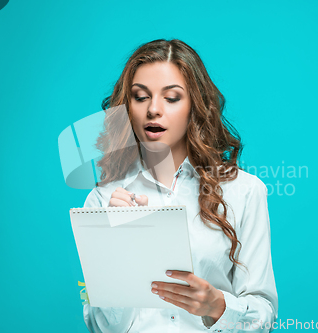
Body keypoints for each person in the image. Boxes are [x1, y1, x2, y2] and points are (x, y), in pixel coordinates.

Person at [82, 39, 277, 332]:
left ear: (194, 107)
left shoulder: (245, 191)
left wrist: (217, 306)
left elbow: (264, 315)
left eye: (171, 98)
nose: (153, 110)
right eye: (140, 97)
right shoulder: (102, 200)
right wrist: (117, 245)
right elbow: (101, 327)